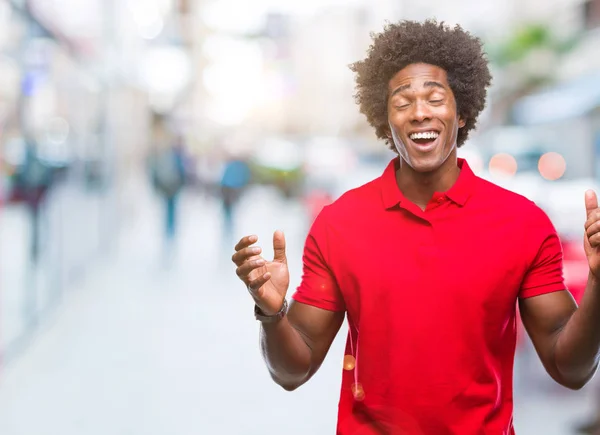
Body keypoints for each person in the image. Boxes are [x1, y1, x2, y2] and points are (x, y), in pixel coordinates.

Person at [231, 20, 600, 434]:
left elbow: (570, 368)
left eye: (435, 98)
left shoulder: (522, 223)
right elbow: (292, 371)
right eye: (402, 101)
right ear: (385, 120)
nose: (420, 111)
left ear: (461, 113)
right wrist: (270, 311)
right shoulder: (340, 224)